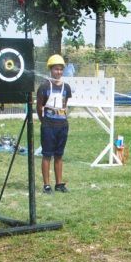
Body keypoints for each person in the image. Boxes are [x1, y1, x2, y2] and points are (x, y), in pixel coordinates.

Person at [36, 53, 72, 194]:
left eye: (61, 69)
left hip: (62, 126)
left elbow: (65, 104)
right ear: (50, 70)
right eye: (56, 69)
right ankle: (46, 185)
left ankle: (59, 183)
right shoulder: (44, 86)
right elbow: (39, 107)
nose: (59, 72)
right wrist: (44, 121)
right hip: (48, 126)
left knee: (59, 155)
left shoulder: (66, 87)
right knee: (47, 155)